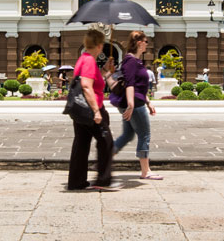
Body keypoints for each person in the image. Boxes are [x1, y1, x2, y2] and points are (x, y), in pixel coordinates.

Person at [67, 28, 113, 191]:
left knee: (81, 144)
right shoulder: (89, 61)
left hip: (81, 110)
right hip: (91, 110)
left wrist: (105, 70)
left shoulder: (83, 59)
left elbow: (91, 80)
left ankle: (76, 181)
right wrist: (96, 111)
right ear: (99, 45)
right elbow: (87, 86)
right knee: (106, 142)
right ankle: (103, 180)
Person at [111, 31, 160, 180]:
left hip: (137, 101)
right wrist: (131, 105)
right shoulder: (131, 61)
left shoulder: (136, 61)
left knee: (128, 135)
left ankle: (105, 157)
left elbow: (140, 86)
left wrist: (148, 102)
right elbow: (130, 84)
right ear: (139, 43)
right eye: (145, 41)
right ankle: (146, 171)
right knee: (144, 135)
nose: (147, 44)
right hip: (135, 104)